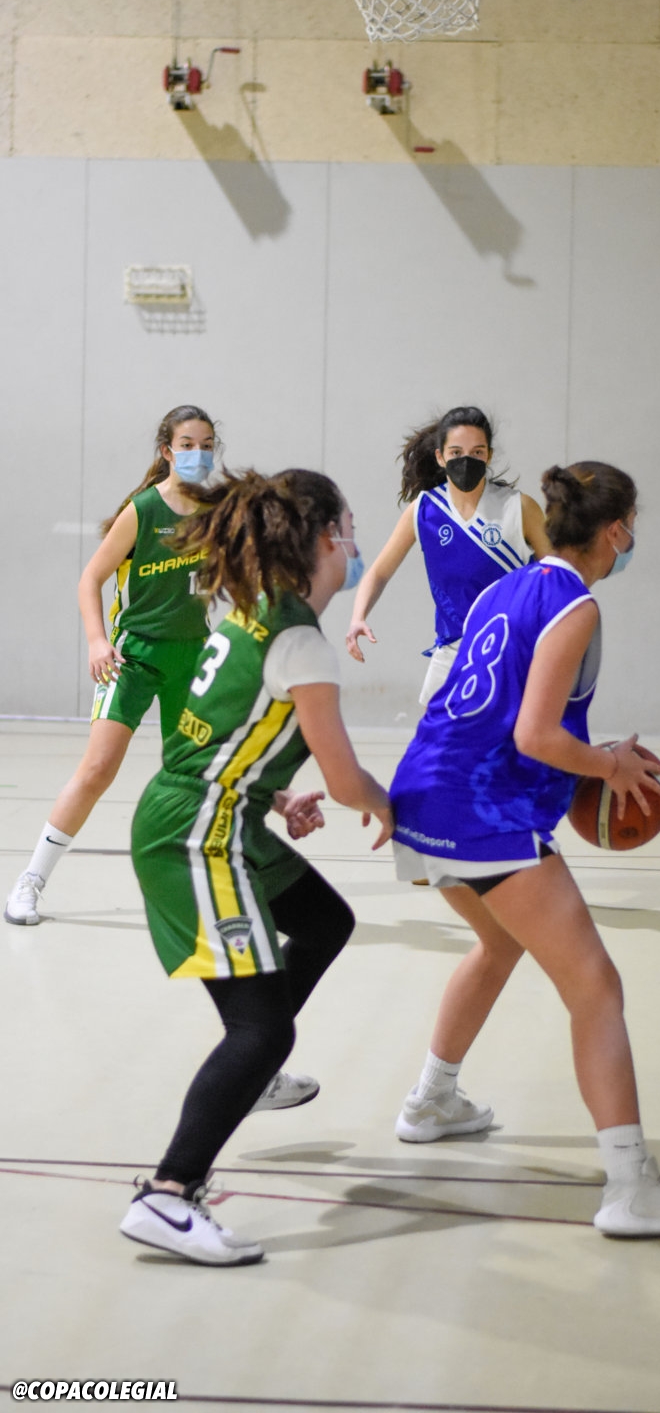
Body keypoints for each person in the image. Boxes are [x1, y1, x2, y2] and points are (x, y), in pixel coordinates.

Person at [388, 462, 660, 1239]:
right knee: (596, 987)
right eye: (631, 524)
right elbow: (535, 735)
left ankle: (432, 1101)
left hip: (423, 791)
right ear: (615, 530)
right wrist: (608, 767)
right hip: (479, 809)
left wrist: (590, 758)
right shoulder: (575, 606)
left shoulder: (504, 589)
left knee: (497, 946)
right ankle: (631, 1187)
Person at [119, 468, 393, 1267]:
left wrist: (272, 795)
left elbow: (220, 730)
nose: (356, 540)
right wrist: (399, 809)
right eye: (349, 525)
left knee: (323, 920)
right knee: (264, 1026)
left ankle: (252, 1069)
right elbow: (347, 781)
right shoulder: (302, 641)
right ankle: (168, 1195)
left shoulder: (253, 608)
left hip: (215, 811)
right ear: (325, 537)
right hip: (197, 836)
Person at [5, 405, 222, 928]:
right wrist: (97, 640)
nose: (198, 453)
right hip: (134, 656)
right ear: (167, 451)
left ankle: (189, 888)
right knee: (98, 769)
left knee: (191, 779)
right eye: (187, 445)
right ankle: (30, 880)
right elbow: (90, 578)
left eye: (206, 444)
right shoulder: (142, 509)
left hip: (193, 656)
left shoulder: (217, 512)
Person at [345, 406, 551, 704]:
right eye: (456, 452)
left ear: (489, 455)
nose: (467, 460)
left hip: (512, 648)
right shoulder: (424, 510)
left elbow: (557, 577)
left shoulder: (520, 508)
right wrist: (358, 617)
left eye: (477, 452)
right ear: (440, 457)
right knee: (432, 731)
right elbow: (379, 572)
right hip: (452, 649)